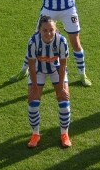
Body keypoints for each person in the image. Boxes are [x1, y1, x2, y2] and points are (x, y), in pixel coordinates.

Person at [24, 16, 72, 149]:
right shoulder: (33, 42)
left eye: (51, 30)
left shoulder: (61, 41)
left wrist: (62, 87)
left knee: (64, 102)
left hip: (56, 70)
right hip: (38, 71)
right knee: (33, 103)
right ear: (39, 30)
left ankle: (64, 134)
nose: (48, 33)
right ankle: (35, 134)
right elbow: (32, 66)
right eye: (45, 30)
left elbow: (63, 66)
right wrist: (34, 87)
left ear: (56, 30)